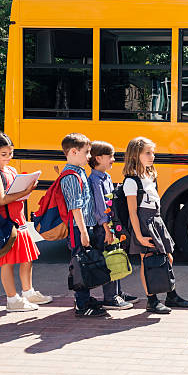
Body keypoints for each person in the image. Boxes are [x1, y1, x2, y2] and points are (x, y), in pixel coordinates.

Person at [123, 137, 188, 314]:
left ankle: (171, 294)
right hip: (144, 224)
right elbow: (132, 212)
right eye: (147, 153)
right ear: (135, 155)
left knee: (168, 257)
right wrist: (139, 236)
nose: (152, 156)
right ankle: (151, 300)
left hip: (156, 220)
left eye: (152, 152)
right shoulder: (131, 181)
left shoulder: (151, 175)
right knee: (148, 261)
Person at [0, 133, 52, 312]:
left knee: (26, 258)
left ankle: (28, 292)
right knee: (7, 262)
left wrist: (27, 188)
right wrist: (24, 192)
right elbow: (2, 200)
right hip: (6, 224)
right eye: (4, 154)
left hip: (18, 220)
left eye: (10, 153)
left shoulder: (11, 171)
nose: (8, 157)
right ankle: (12, 299)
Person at [60, 133, 108, 317]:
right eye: (86, 152)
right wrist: (83, 232)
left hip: (84, 226)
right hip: (78, 228)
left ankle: (85, 298)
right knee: (80, 264)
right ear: (73, 152)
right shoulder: (71, 176)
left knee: (85, 262)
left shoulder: (79, 171)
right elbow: (75, 206)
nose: (89, 156)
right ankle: (82, 305)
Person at [88, 141, 139, 310]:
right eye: (110, 156)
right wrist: (107, 229)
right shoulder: (95, 180)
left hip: (111, 225)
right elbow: (100, 207)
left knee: (116, 256)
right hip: (104, 228)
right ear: (98, 158)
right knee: (109, 260)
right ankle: (110, 297)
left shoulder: (106, 177)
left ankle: (118, 292)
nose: (113, 160)